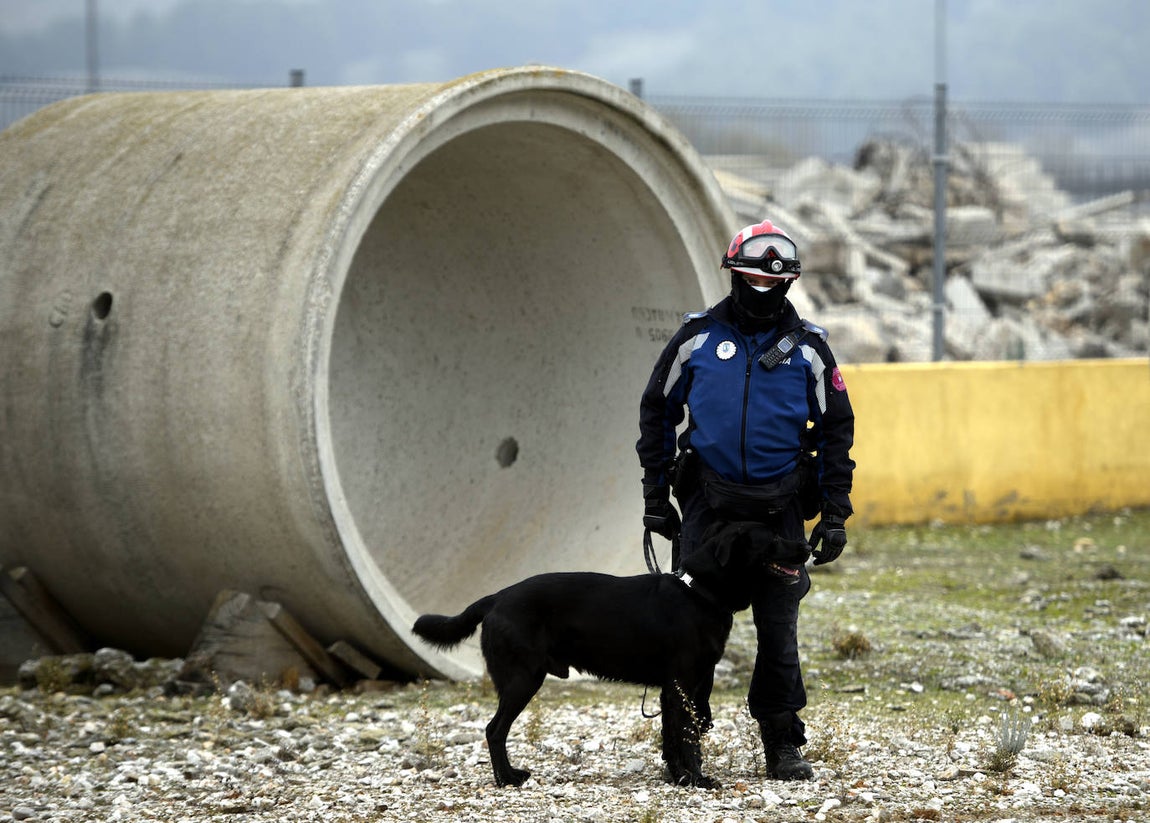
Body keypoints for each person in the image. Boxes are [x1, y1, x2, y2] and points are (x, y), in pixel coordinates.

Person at [636, 218, 855, 781]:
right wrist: (656, 496)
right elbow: (657, 411)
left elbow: (837, 432)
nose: (764, 291)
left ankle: (782, 743)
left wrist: (834, 514)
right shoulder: (695, 340)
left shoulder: (810, 350)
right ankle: (682, 748)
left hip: (778, 510)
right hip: (707, 508)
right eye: (753, 279)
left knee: (778, 630)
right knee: (688, 629)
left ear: (790, 283)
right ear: (734, 274)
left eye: (775, 283)